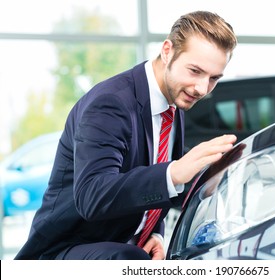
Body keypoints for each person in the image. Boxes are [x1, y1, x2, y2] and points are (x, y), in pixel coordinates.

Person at [15, 10, 237, 260]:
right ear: (167, 51)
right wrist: (174, 172)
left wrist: (155, 233)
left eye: (214, 78)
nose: (202, 88)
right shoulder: (110, 103)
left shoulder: (175, 102)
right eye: (195, 71)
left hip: (121, 242)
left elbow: (147, 183)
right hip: (64, 251)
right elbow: (92, 196)